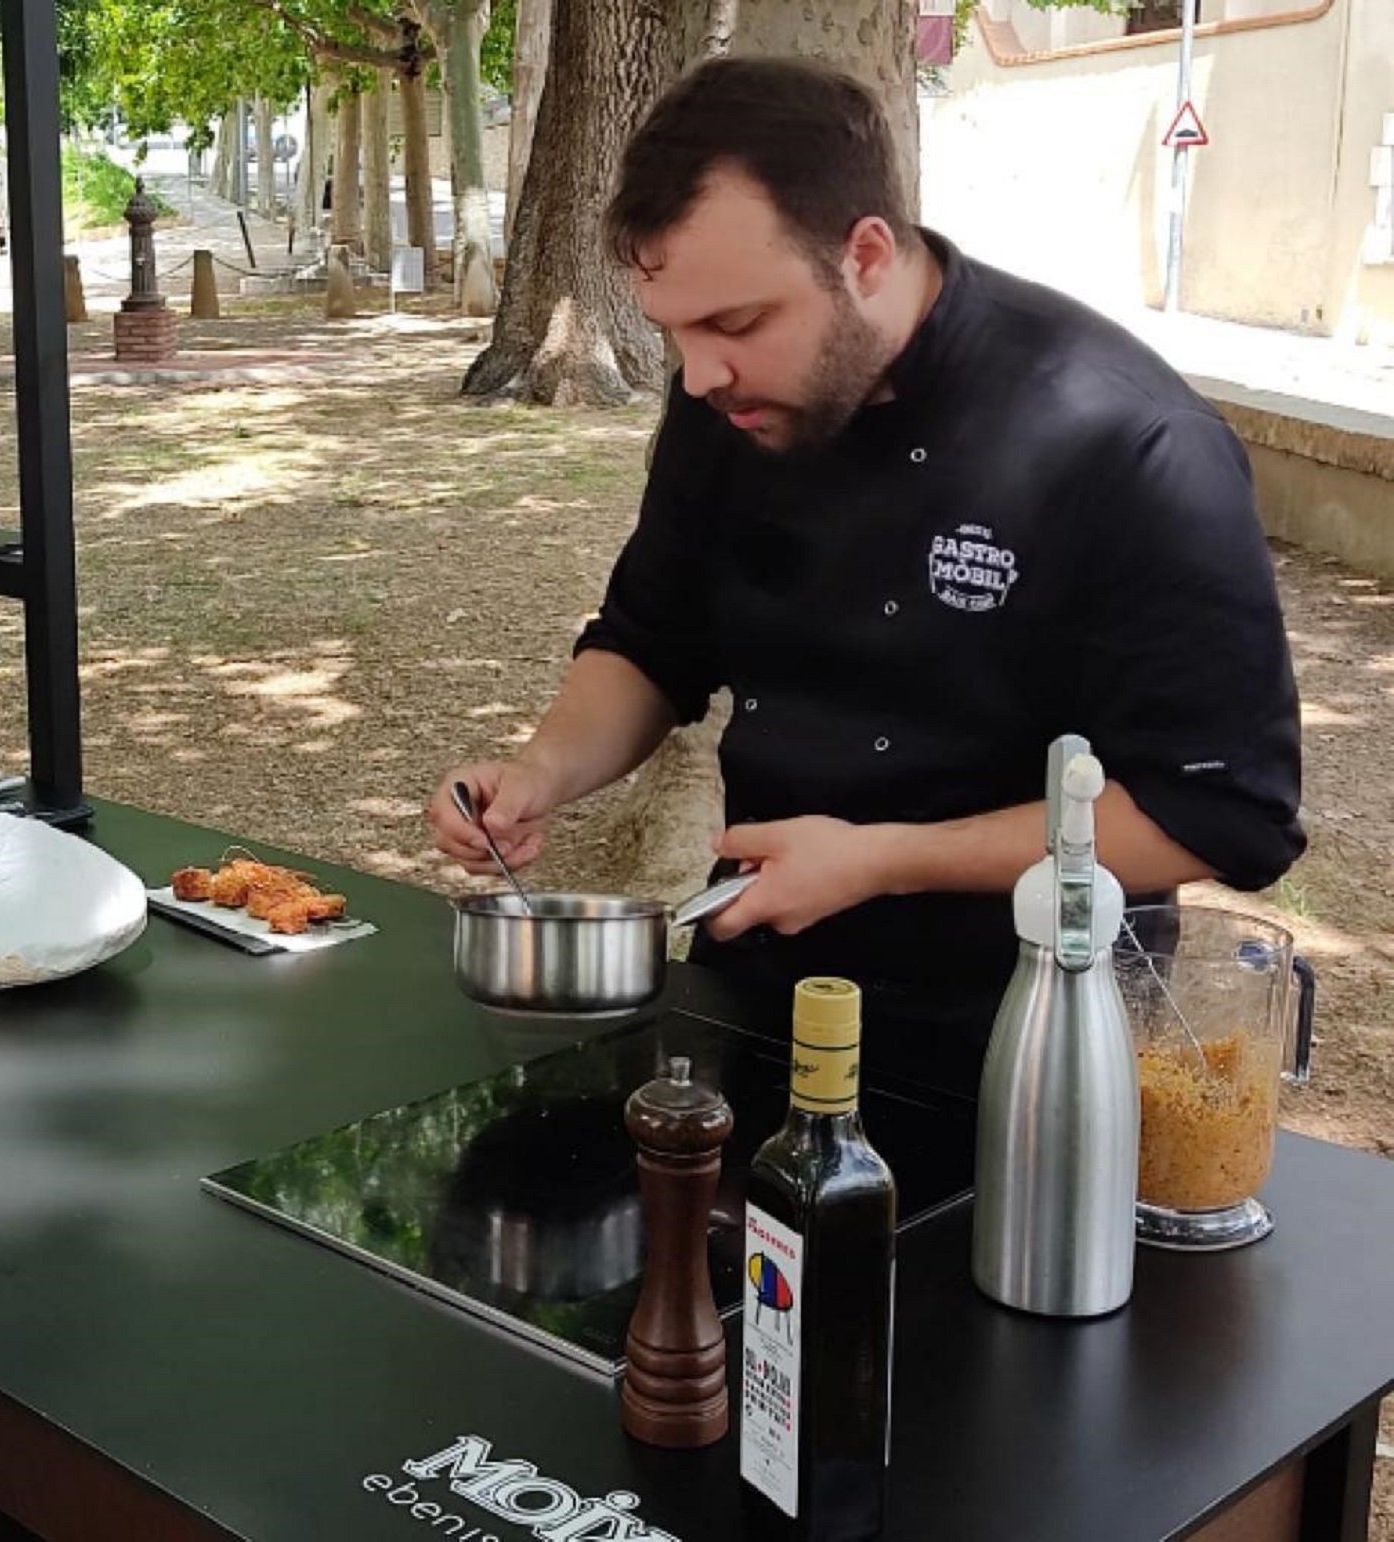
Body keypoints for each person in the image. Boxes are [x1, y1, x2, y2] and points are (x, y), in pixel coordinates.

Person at [429, 56, 1304, 1096]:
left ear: (868, 254)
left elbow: (1220, 815)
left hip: (1024, 1046)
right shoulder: (729, 401)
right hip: (751, 998)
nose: (701, 375)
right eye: (676, 334)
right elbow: (651, 642)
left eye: (738, 324)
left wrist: (881, 858)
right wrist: (541, 773)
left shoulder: (1126, 440)